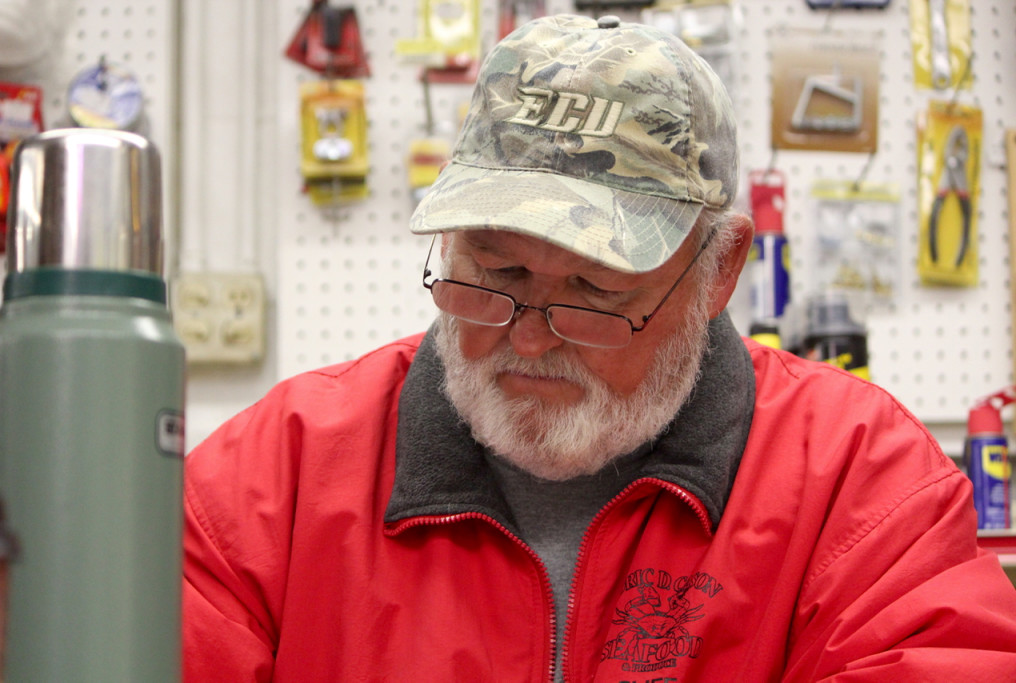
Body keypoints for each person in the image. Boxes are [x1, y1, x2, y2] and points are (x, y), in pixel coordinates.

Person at [181, 14, 1016, 682]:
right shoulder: (273, 483)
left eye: (596, 290)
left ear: (718, 269)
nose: (531, 333)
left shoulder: (862, 489)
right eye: (496, 268)